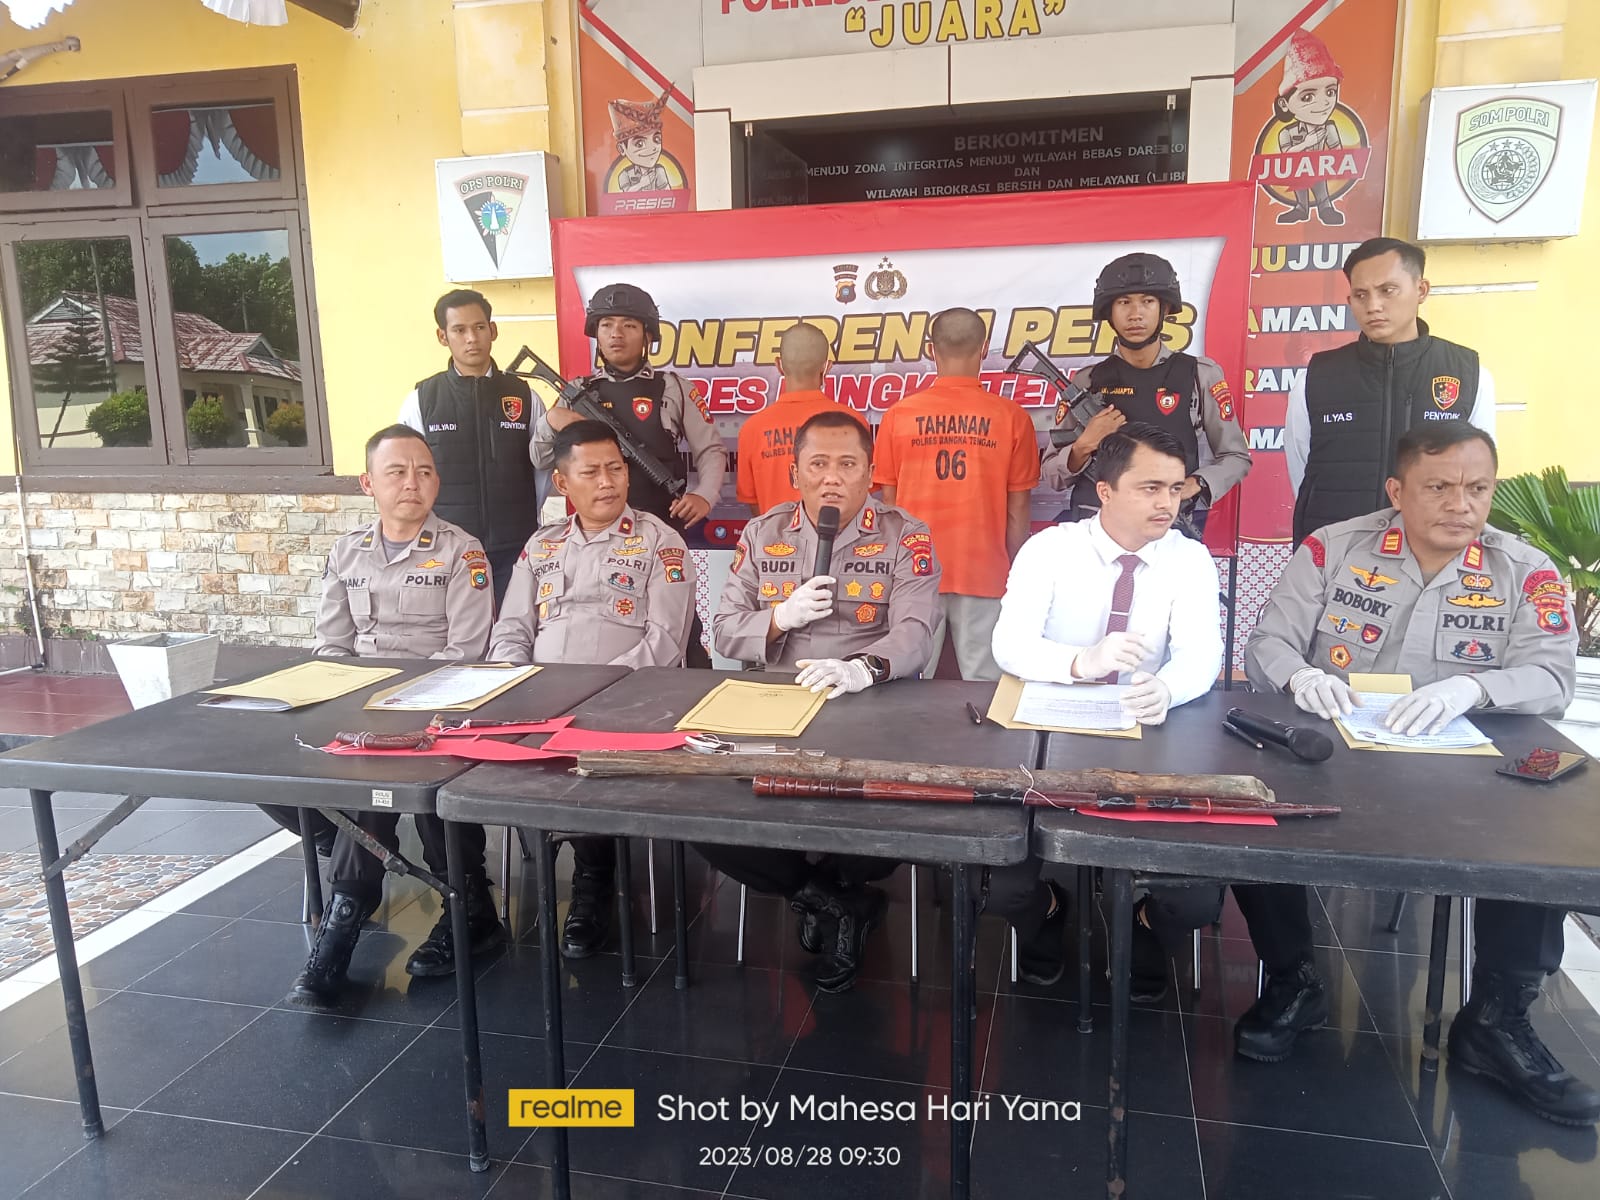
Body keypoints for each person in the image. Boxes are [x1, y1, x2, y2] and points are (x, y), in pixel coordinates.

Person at [1239, 423, 1598, 1128]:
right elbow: (1268, 643)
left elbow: (1553, 676)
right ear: (1397, 491)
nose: (1461, 505)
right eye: (1439, 487)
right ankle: (1294, 981)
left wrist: (1475, 687)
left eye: (1478, 488)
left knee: (1544, 832)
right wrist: (1301, 675)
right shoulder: (1333, 549)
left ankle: (1496, 1019)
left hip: (1467, 766)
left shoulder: (1525, 570)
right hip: (1336, 752)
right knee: (1251, 807)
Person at [703, 409, 941, 992]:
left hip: (870, 699)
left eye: (847, 464)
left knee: (887, 815)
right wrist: (777, 619)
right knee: (702, 810)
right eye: (818, 464)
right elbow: (724, 629)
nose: (832, 477)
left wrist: (863, 667)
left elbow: (916, 630)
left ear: (870, 472)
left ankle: (835, 888)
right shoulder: (764, 533)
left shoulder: (906, 534)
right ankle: (829, 900)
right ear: (795, 473)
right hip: (776, 699)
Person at [988, 423, 1223, 994]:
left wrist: (1169, 688)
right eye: (1150, 488)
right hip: (1051, 731)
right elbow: (1009, 645)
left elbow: (1202, 654)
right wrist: (1080, 661)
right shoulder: (1051, 548)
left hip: (1147, 730)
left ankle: (1145, 926)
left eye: (1175, 488)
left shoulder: (1189, 558)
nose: (1167, 503)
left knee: (1196, 898)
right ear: (1106, 490)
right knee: (1000, 885)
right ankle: (1046, 912)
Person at [278, 425, 502, 1006]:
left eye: (424, 472)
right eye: (397, 472)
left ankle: (344, 924)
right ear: (368, 484)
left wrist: (394, 707)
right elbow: (332, 645)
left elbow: (467, 653)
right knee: (265, 756)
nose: (412, 483)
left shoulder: (462, 551)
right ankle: (464, 905)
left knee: (385, 782)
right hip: (360, 707)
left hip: (437, 709)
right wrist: (351, 700)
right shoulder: (346, 551)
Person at [488, 420, 696, 957]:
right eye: (592, 472)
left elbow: (666, 642)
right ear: (562, 483)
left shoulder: (660, 541)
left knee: (583, 753)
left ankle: (592, 879)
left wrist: (596, 693)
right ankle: (475, 895)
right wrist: (514, 682)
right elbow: (511, 629)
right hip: (539, 700)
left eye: (615, 469)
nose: (607, 481)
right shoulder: (542, 545)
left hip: (626, 701)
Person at [532, 282, 726, 666]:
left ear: (648, 335)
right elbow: (539, 457)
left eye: (629, 325)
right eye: (606, 325)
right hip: (594, 535)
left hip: (661, 529)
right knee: (602, 620)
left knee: (681, 628)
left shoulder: (673, 388)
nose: (616, 334)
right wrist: (552, 420)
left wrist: (704, 495)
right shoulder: (576, 392)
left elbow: (711, 450)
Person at [1287, 237, 1497, 546]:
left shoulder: (1468, 374)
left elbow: (1478, 472)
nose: (1373, 306)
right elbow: (1301, 467)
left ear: (1421, 290)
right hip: (1337, 552)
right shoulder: (1315, 378)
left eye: (1388, 290)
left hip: (1431, 553)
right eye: (1361, 295)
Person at [873, 307, 1039, 680]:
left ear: (931, 350)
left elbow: (889, 506)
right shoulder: (1012, 417)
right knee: (987, 687)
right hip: (986, 571)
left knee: (907, 683)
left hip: (915, 572)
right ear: (983, 348)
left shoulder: (898, 416)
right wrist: (1013, 571)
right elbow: (1018, 509)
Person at [1040, 253, 1250, 536]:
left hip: (1167, 530)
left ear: (1165, 308)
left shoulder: (1199, 375)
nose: (1135, 314)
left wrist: (1195, 484)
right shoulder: (1087, 382)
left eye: (1148, 301)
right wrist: (1083, 446)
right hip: (1094, 534)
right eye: (1124, 302)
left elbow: (1235, 456)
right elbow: (1052, 476)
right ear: (1109, 312)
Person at [398, 289, 542, 607]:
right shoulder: (423, 399)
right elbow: (408, 473)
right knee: (456, 632)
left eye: (479, 327)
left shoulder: (524, 397)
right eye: (459, 330)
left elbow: (541, 471)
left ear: (493, 330)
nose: (471, 338)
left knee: (515, 630)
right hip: (447, 548)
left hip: (515, 547)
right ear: (443, 336)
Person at [735, 321, 866, 516]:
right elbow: (863, 492)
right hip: (841, 534)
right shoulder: (853, 423)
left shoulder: (752, 429)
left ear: (779, 365)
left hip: (775, 534)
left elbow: (754, 506)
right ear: (827, 367)